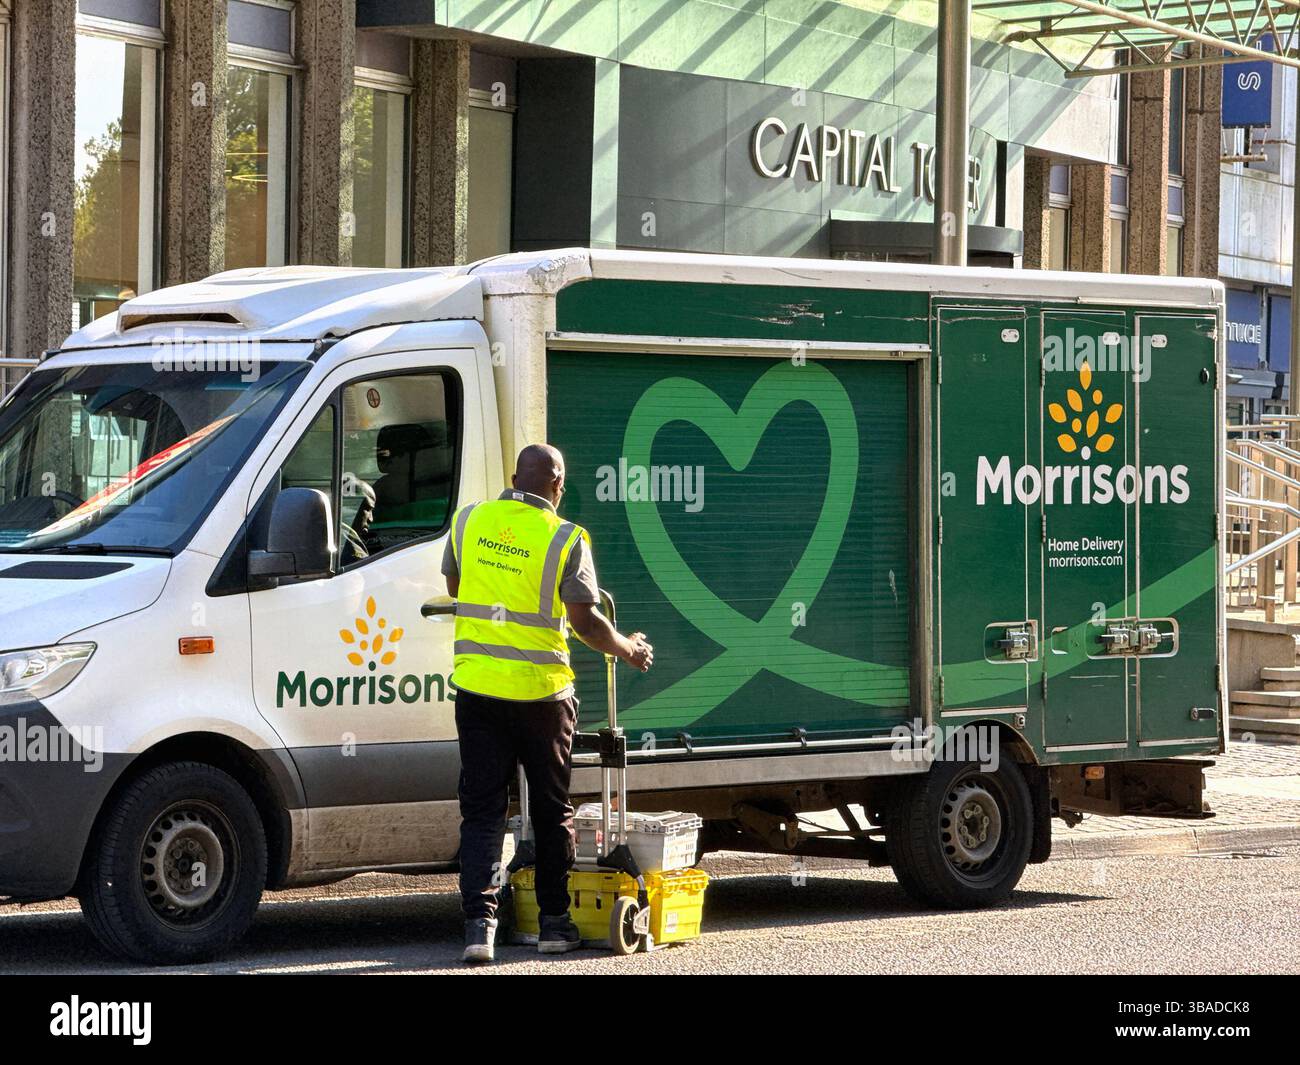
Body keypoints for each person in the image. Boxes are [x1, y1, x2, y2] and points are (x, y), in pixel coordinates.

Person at [442, 444, 653, 963]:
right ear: (558, 485)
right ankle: (556, 924)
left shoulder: (469, 520)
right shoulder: (566, 537)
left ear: (514, 477)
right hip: (542, 697)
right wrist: (628, 648)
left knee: (484, 812)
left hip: (478, 691)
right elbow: (584, 621)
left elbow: (455, 583)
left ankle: (479, 929)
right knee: (552, 810)